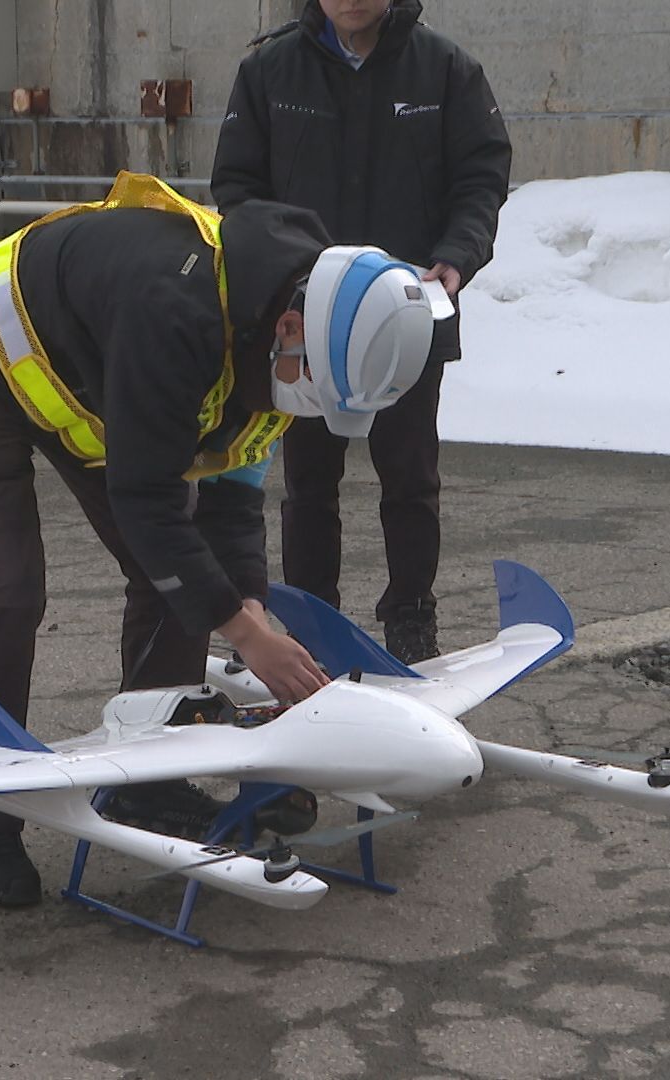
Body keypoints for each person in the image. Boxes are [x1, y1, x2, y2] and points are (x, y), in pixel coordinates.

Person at [0, 172, 440, 907]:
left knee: (177, 581)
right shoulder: (178, 313)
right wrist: (245, 634)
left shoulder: (298, 326)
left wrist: (246, 606)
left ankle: (146, 783)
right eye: (315, 387)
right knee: (9, 590)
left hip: (89, 376)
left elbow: (233, 496)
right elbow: (148, 499)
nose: (309, 405)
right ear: (289, 330)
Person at [212, 0, 513, 663]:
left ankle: (411, 617)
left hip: (405, 313)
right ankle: (312, 622)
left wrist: (457, 254)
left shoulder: (445, 70)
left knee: (409, 478)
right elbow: (235, 190)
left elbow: (482, 177)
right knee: (307, 483)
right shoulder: (269, 71)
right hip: (303, 316)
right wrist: (280, 274)